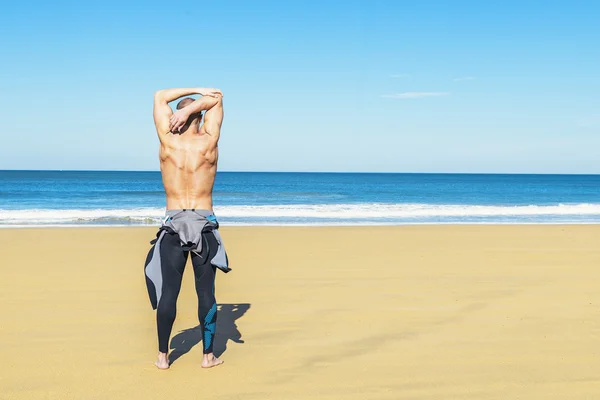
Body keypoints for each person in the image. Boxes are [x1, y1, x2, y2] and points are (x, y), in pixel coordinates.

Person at [144, 86, 229, 370]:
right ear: (200, 118)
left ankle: (162, 358)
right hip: (204, 225)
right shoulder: (209, 141)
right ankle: (208, 357)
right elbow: (218, 98)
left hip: (173, 225)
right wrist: (193, 107)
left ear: (176, 118)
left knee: (170, 292)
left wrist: (189, 98)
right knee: (206, 293)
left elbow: (159, 96)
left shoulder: (168, 142)